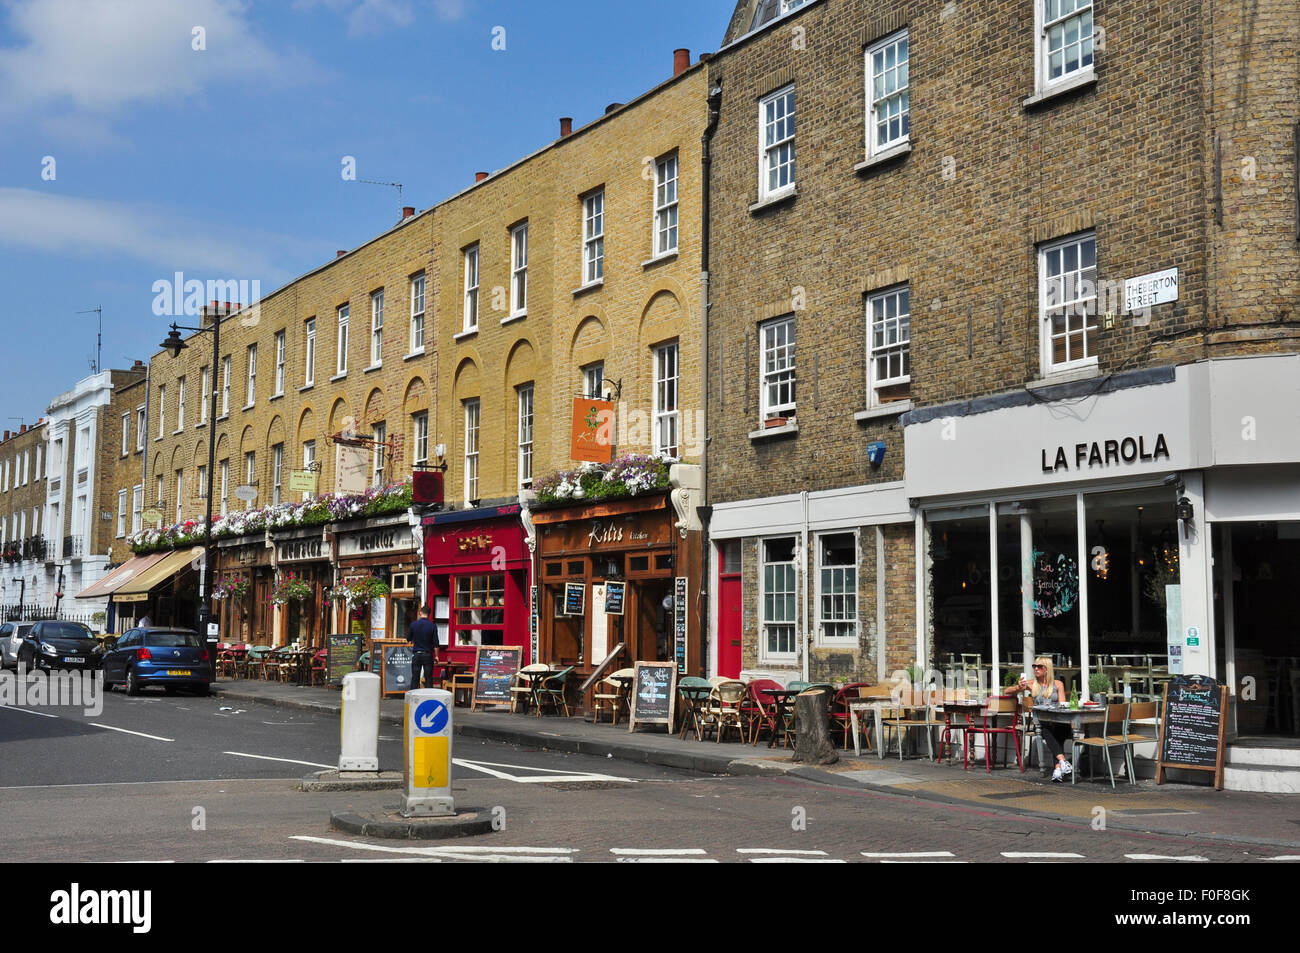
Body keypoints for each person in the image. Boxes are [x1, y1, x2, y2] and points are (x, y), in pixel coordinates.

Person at [1018, 656, 1073, 781]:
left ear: (1047, 669)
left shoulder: (1058, 684)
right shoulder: (1032, 684)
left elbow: (1062, 705)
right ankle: (1062, 761)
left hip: (1057, 720)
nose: (1036, 669)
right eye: (1034, 666)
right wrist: (1018, 686)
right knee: (1046, 728)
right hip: (1041, 722)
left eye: (1039, 666)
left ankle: (1059, 768)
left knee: (1060, 728)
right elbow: (1008, 691)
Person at [406, 604, 439, 692]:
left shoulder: (413, 624)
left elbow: (408, 639)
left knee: (415, 677)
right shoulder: (432, 626)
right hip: (428, 655)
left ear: (420, 613)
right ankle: (428, 698)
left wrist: (414, 639)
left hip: (417, 654)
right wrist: (436, 656)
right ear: (429, 614)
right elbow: (436, 643)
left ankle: (413, 696)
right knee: (428, 677)